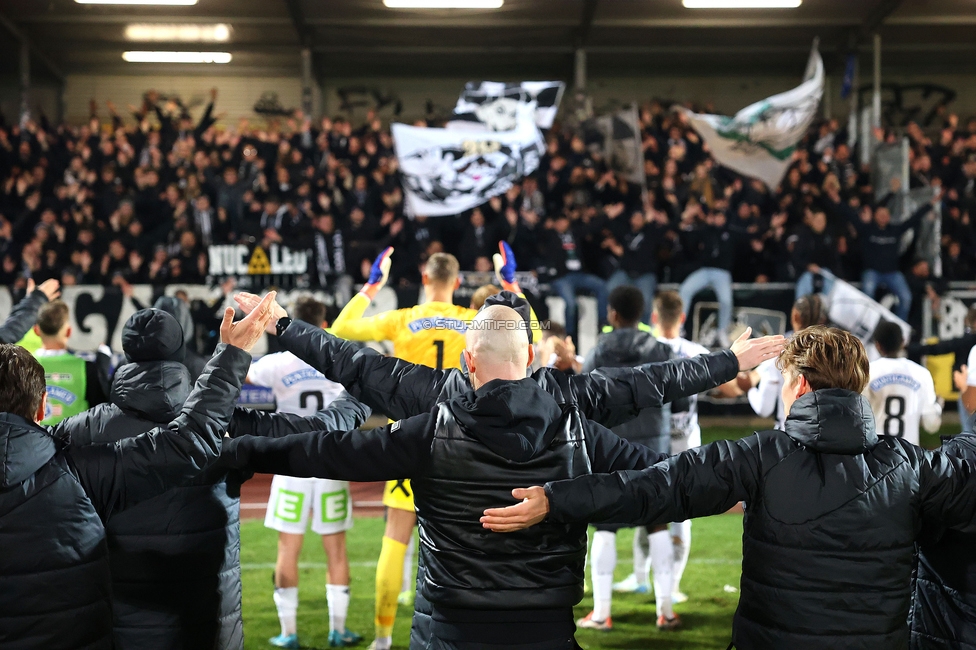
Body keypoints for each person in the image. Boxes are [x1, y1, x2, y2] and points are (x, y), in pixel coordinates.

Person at [233, 287, 784, 650]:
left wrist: (280, 330)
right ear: (531, 355)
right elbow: (650, 392)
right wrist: (729, 363)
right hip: (545, 627)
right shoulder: (574, 415)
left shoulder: (431, 410)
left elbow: (347, 375)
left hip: (447, 628)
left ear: (468, 360)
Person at [485, 325, 976, 650]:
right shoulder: (911, 466)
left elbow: (659, 487)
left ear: (800, 387)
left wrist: (557, 499)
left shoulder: (761, 456)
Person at [57, 306, 369, 650]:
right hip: (211, 631)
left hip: (120, 629)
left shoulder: (78, 431)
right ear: (180, 351)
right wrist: (367, 384)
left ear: (128, 355)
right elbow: (319, 428)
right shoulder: (224, 422)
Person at [0, 290, 278, 649]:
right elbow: (186, 443)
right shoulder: (72, 465)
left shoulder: (74, 440)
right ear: (41, 407)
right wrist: (232, 356)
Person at [326, 244, 535, 650]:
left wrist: (372, 286)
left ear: (425, 280)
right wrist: (511, 284)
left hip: (410, 437)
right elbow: (528, 331)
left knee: (396, 539)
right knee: (471, 542)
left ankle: (384, 639)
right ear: (457, 283)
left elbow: (340, 329)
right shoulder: (472, 321)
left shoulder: (404, 318)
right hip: (464, 438)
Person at [248, 297, 364, 649]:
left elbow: (241, 373)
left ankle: (288, 632)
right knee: (337, 551)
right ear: (324, 324)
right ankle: (338, 629)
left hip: (290, 463)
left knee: (287, 549)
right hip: (330, 462)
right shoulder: (337, 358)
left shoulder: (277, 363)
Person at [576, 286, 676, 632]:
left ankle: (602, 613)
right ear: (642, 313)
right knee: (658, 521)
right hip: (653, 444)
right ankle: (666, 611)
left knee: (604, 524)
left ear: (612, 315)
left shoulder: (599, 350)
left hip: (610, 446)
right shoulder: (661, 350)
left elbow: (585, 396)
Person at [613, 291, 717, 620]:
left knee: (649, 510)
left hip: (652, 441)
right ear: (683, 317)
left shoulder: (644, 348)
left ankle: (645, 578)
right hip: (686, 445)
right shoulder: (697, 352)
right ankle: (667, 586)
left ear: (655, 317)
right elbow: (730, 386)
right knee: (679, 515)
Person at [825, 188, 938, 321]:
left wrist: (931, 203)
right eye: (880, 214)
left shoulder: (895, 230)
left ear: (889, 217)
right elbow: (850, 215)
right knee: (868, 294)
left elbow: (913, 219)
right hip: (872, 272)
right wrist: (837, 201)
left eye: (886, 214)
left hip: (892, 273)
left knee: (906, 297)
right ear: (875, 216)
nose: (883, 217)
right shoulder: (866, 229)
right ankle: (869, 323)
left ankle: (899, 326)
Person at [743, 294, 828, 430]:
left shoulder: (779, 349)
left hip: (789, 436)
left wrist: (750, 390)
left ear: (795, 316)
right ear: (822, 319)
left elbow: (764, 409)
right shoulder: (833, 350)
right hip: (824, 435)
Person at [32, 298, 112, 424]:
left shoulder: (21, 365)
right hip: (73, 442)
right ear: (69, 332)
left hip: (32, 441)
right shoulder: (86, 368)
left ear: (36, 330)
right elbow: (103, 411)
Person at [864, 321, 942, 445]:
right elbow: (931, 425)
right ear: (903, 342)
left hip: (876, 455)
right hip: (909, 456)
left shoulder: (868, 372)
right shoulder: (921, 373)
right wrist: (938, 405)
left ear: (877, 345)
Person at [678, 210, 736, 347]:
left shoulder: (730, 232)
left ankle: (722, 331)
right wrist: (705, 223)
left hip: (722, 272)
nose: (718, 219)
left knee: (726, 300)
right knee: (685, 289)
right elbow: (689, 239)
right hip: (704, 270)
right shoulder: (706, 230)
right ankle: (678, 325)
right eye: (716, 216)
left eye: (721, 216)